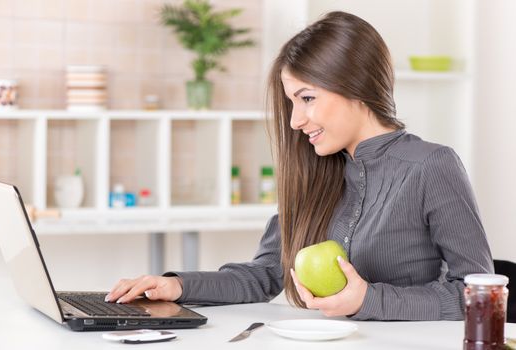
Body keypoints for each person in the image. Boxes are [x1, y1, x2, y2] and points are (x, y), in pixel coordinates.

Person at [105, 11, 493, 321]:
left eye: (307, 98)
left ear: (355, 86)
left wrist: (369, 299)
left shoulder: (431, 166)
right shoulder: (318, 172)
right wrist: (177, 286)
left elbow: (478, 294)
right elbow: (266, 274)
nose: (294, 120)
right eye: (292, 102)